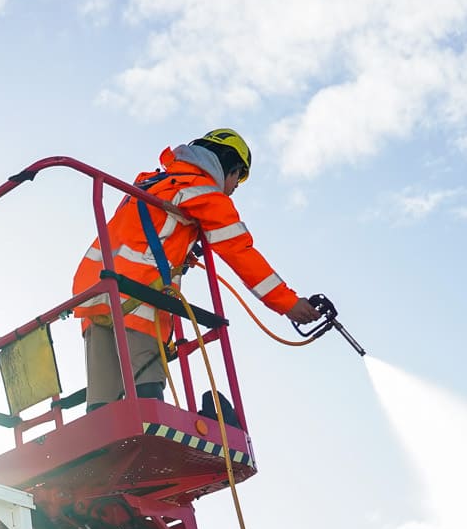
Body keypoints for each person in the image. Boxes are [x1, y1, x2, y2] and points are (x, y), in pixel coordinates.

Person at [74, 129, 319, 407]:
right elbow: (240, 252)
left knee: (103, 401)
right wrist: (288, 303)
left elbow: (142, 234)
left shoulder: (151, 182)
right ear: (230, 167)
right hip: (138, 298)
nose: (235, 187)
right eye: (238, 178)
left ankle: (104, 449)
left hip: (94, 292)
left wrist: (184, 250)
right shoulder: (204, 193)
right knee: (145, 389)